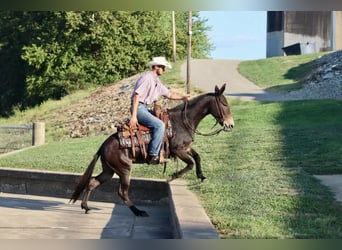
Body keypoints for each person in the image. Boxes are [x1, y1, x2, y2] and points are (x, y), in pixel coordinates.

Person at [129, 57, 189, 165]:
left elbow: (169, 94)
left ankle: (163, 149)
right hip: (138, 108)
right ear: (156, 66)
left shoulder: (156, 81)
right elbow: (136, 96)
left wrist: (182, 97)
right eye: (162, 67)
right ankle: (153, 155)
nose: (164, 70)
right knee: (159, 125)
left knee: (166, 119)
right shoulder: (147, 78)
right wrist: (134, 116)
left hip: (144, 108)